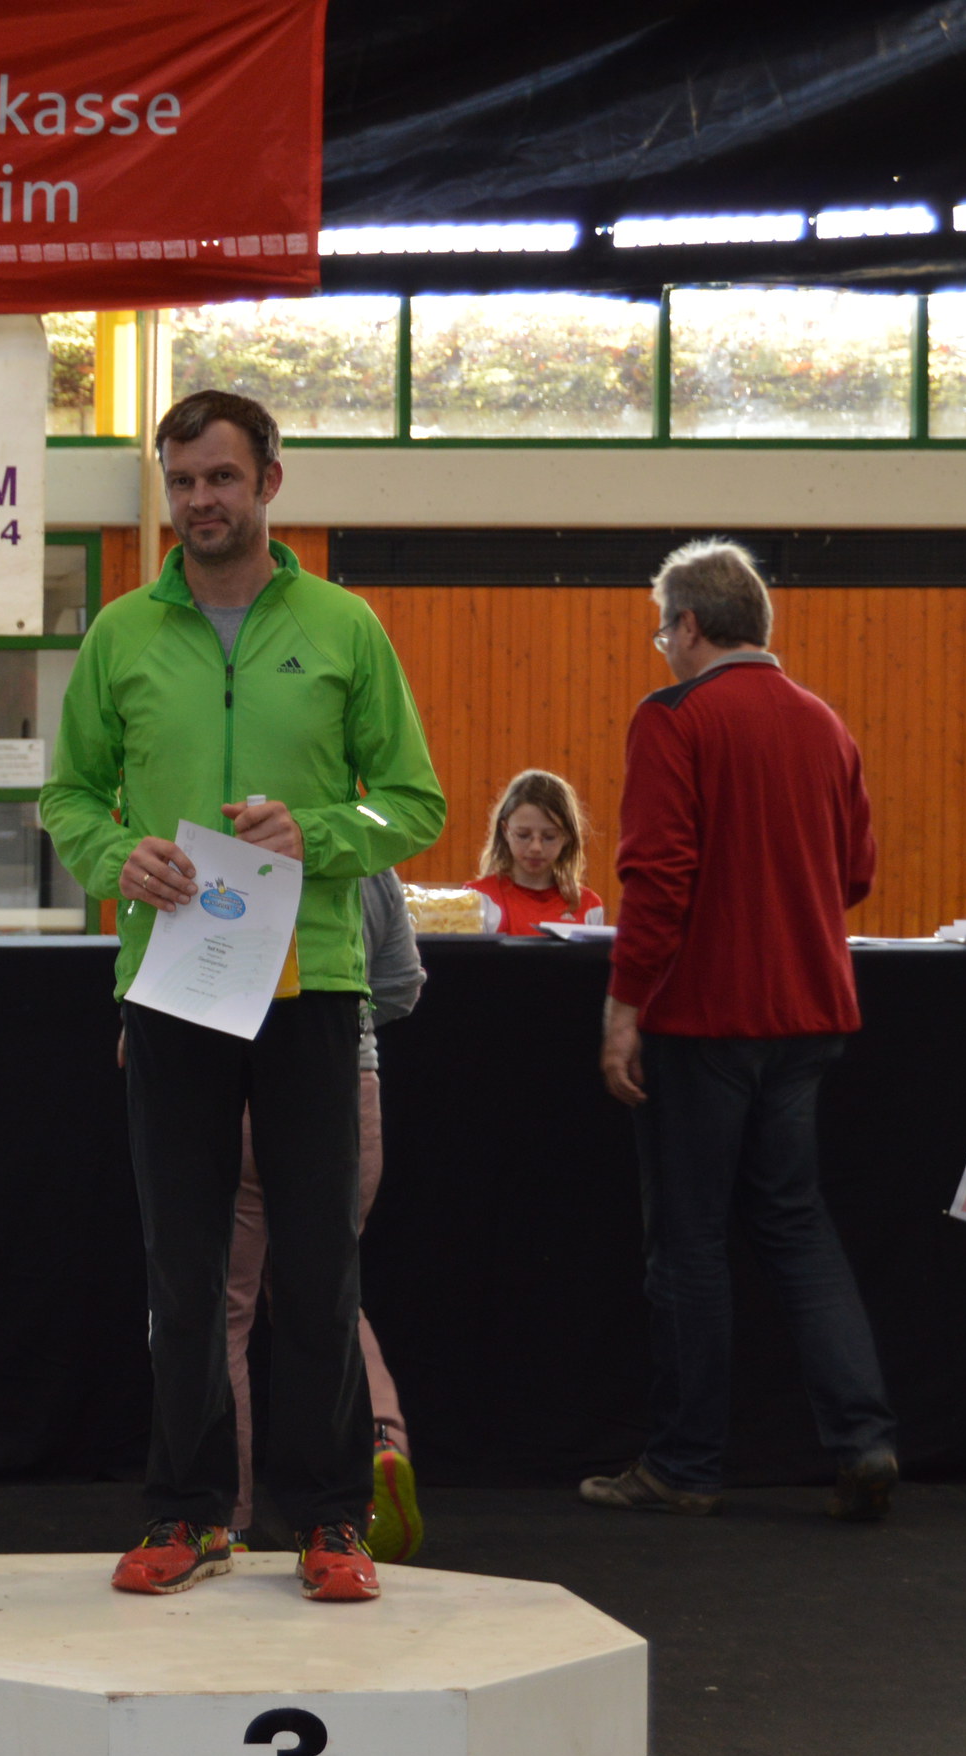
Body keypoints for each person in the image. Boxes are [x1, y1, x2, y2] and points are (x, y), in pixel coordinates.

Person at [40, 388, 446, 1606]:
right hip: (172, 985)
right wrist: (119, 858)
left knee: (317, 1265)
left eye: (219, 478)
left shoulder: (343, 627)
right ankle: (187, 1510)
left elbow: (413, 804)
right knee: (182, 1268)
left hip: (310, 983)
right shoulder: (120, 633)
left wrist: (316, 832)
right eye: (180, 482)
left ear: (269, 479)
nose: (198, 502)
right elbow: (68, 796)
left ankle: (328, 1519)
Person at [588, 539, 896, 1522]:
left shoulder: (673, 718)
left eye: (661, 631)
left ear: (686, 625)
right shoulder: (823, 723)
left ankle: (683, 1466)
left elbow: (658, 879)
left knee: (688, 1243)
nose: (662, 647)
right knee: (796, 1227)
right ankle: (863, 1441)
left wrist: (623, 1007)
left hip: (704, 1017)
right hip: (808, 1015)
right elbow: (855, 872)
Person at [226, 869, 424, 1562]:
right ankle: (378, 1447)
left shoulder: (221, 849)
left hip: (234, 1082)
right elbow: (401, 983)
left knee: (226, 1309)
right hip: (348, 1084)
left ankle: (224, 1514)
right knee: (328, 1291)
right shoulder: (370, 863)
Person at [466, 769, 607, 934]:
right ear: (505, 831)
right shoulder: (477, 899)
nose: (536, 848)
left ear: (567, 836)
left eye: (549, 837)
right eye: (523, 835)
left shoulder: (589, 906)